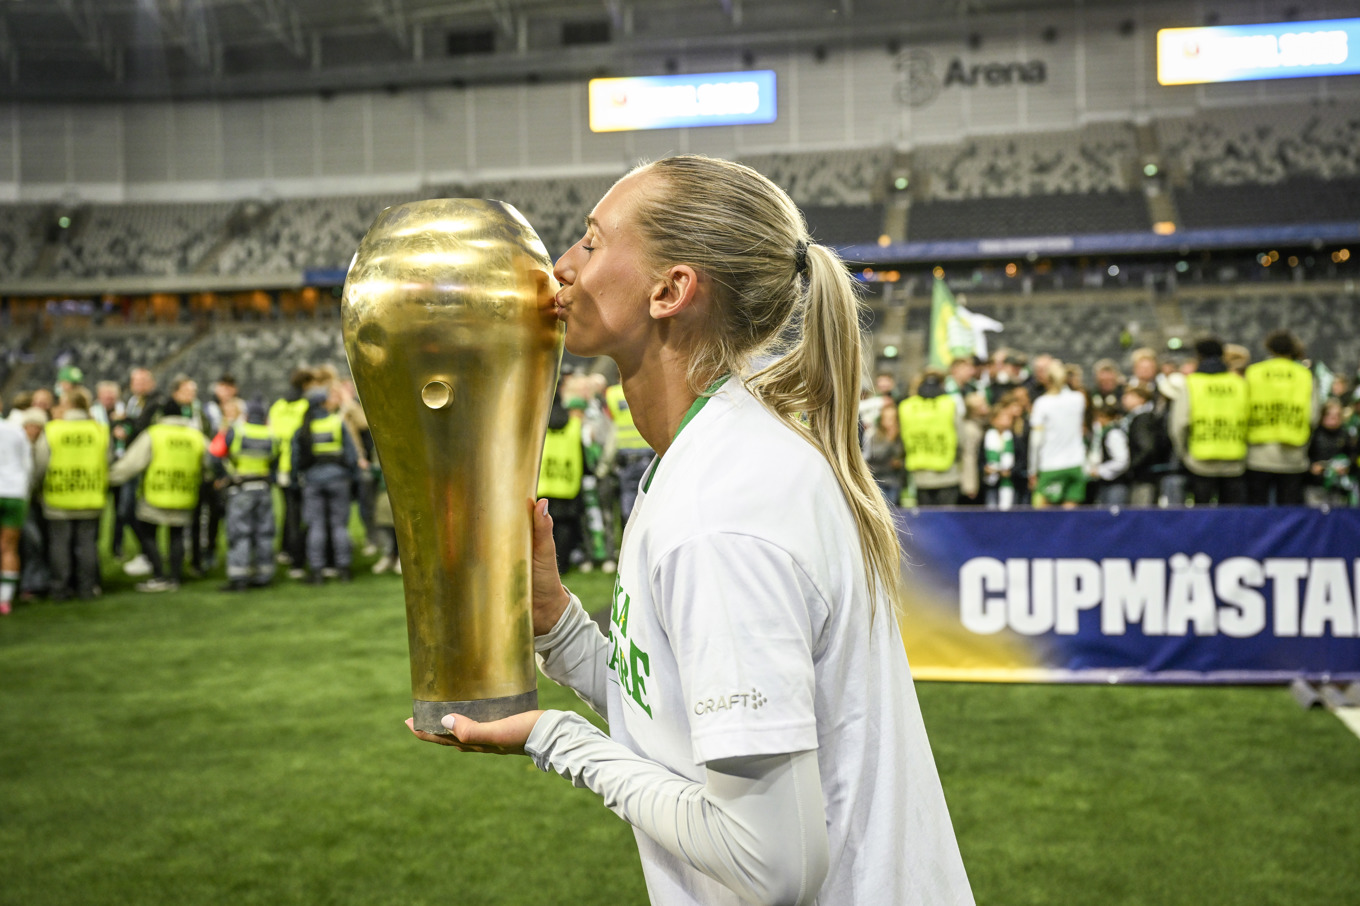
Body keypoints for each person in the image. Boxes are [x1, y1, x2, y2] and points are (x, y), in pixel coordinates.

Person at [408, 155, 973, 905]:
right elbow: (675, 721)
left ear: (670, 291)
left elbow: (773, 865)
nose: (561, 268)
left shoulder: (723, 508)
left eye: (590, 241)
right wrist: (560, 629)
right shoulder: (709, 454)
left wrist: (554, 738)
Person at [109, 397, 208, 592]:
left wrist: (109, 476)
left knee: (147, 533)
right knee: (177, 534)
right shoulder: (195, 435)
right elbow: (212, 459)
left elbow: (132, 463)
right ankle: (175, 578)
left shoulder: (154, 434)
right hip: (185, 493)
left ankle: (159, 574)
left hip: (156, 493)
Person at [32, 386, 108, 601]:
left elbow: (40, 464)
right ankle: (87, 588)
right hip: (90, 496)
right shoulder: (100, 430)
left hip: (58, 496)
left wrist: (35, 487)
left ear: (68, 405)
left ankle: (59, 589)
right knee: (87, 545)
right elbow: (108, 461)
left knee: (59, 545)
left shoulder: (54, 429)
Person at [1161, 336, 1248, 506]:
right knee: (1231, 517)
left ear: (1199, 356)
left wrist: (1184, 454)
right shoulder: (1239, 384)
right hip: (1234, 460)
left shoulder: (1192, 384)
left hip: (1200, 461)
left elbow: (1178, 425)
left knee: (1203, 516)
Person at [291, 384, 357, 583]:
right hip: (338, 479)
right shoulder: (337, 423)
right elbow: (351, 454)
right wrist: (351, 475)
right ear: (323, 402)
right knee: (339, 525)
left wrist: (296, 479)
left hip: (313, 481)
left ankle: (317, 570)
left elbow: (295, 458)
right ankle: (343, 568)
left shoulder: (303, 428)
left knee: (315, 526)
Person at [1244, 329, 1315, 505]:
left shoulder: (1253, 372)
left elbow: (1242, 410)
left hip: (1258, 455)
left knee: (1257, 511)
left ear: (1269, 348)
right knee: (1289, 515)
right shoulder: (1304, 375)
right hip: (1293, 456)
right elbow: (1312, 416)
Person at [213, 400, 279, 591]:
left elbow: (215, 455)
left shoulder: (237, 431)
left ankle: (239, 576)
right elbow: (275, 460)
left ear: (247, 415)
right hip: (264, 489)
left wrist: (224, 476)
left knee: (240, 532)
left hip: (241, 488)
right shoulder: (271, 434)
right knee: (264, 532)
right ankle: (264, 575)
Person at [1028, 359, 1088, 509]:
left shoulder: (1042, 403)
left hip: (1051, 465)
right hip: (1076, 463)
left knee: (1042, 515)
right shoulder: (1078, 399)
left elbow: (1036, 440)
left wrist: (1032, 470)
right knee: (1069, 516)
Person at [899, 367, 963, 506]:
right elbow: (960, 437)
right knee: (946, 522)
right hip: (947, 473)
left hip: (919, 474)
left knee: (926, 522)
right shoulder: (950, 404)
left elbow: (902, 439)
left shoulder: (907, 406)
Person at [0, 413, 31, 614]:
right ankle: (5, 599)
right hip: (14, 493)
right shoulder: (16, 429)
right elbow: (28, 464)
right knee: (9, 547)